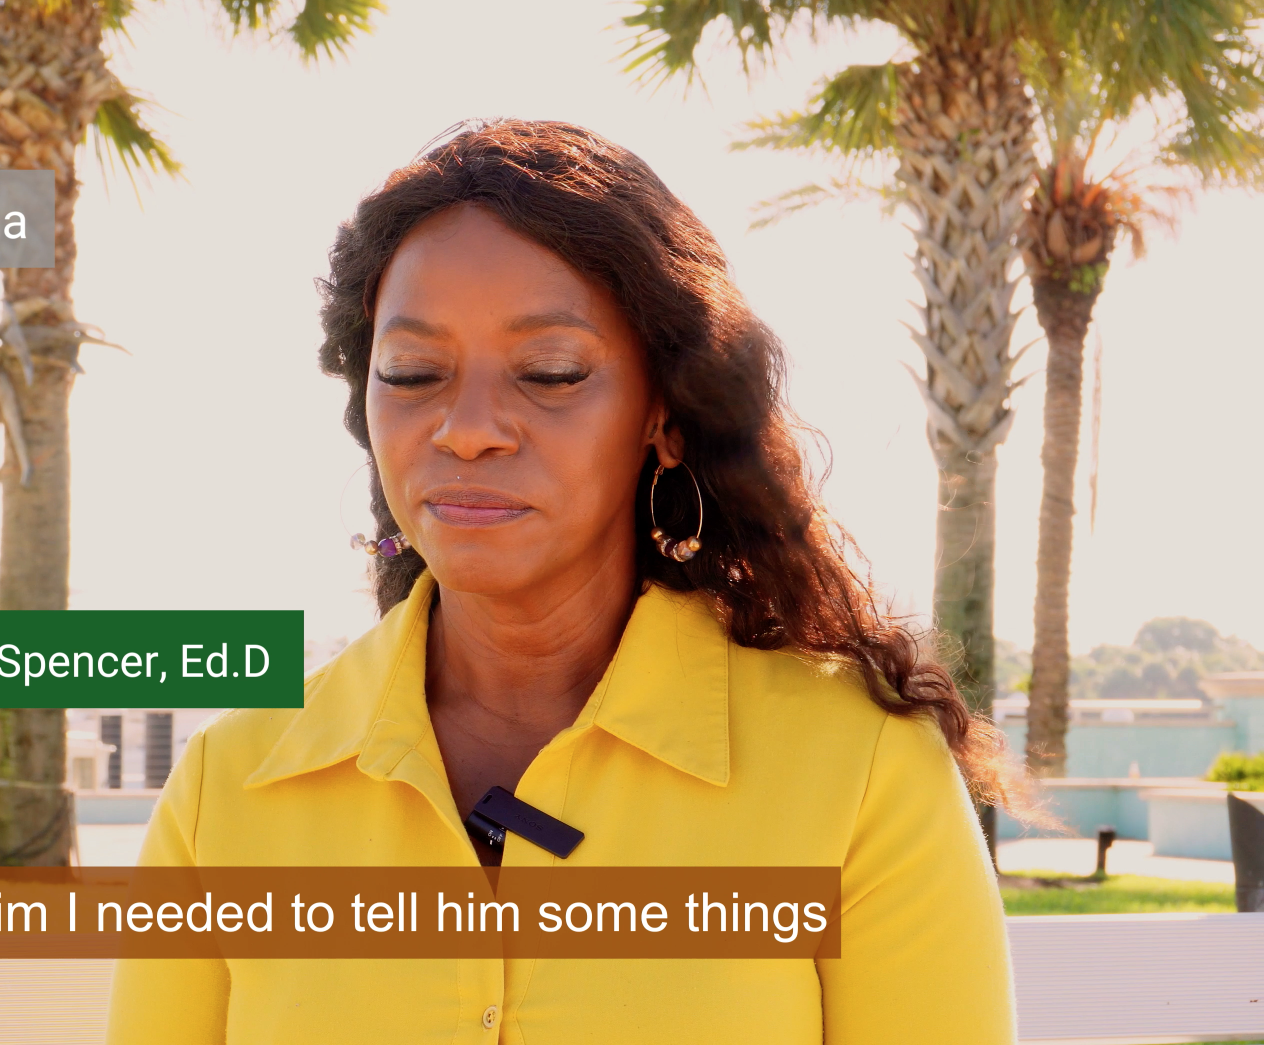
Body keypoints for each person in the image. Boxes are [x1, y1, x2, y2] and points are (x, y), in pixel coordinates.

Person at [106, 119, 1016, 1044]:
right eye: (412, 372)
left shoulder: (862, 773)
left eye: (549, 373)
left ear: (664, 413)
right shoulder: (231, 785)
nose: (467, 429)